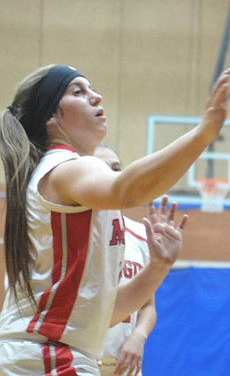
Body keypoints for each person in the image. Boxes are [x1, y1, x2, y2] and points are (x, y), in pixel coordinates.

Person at [0, 64, 230, 374]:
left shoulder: (62, 177)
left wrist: (157, 267)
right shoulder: (65, 166)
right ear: (52, 118)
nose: (97, 97)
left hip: (47, 355)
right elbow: (128, 189)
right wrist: (201, 135)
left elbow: (104, 314)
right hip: (46, 357)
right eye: (79, 92)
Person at [94, 144, 156, 376]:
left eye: (117, 168)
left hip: (125, 367)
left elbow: (148, 305)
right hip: (78, 362)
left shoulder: (140, 234)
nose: (111, 174)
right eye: (101, 167)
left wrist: (139, 337)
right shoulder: (67, 231)